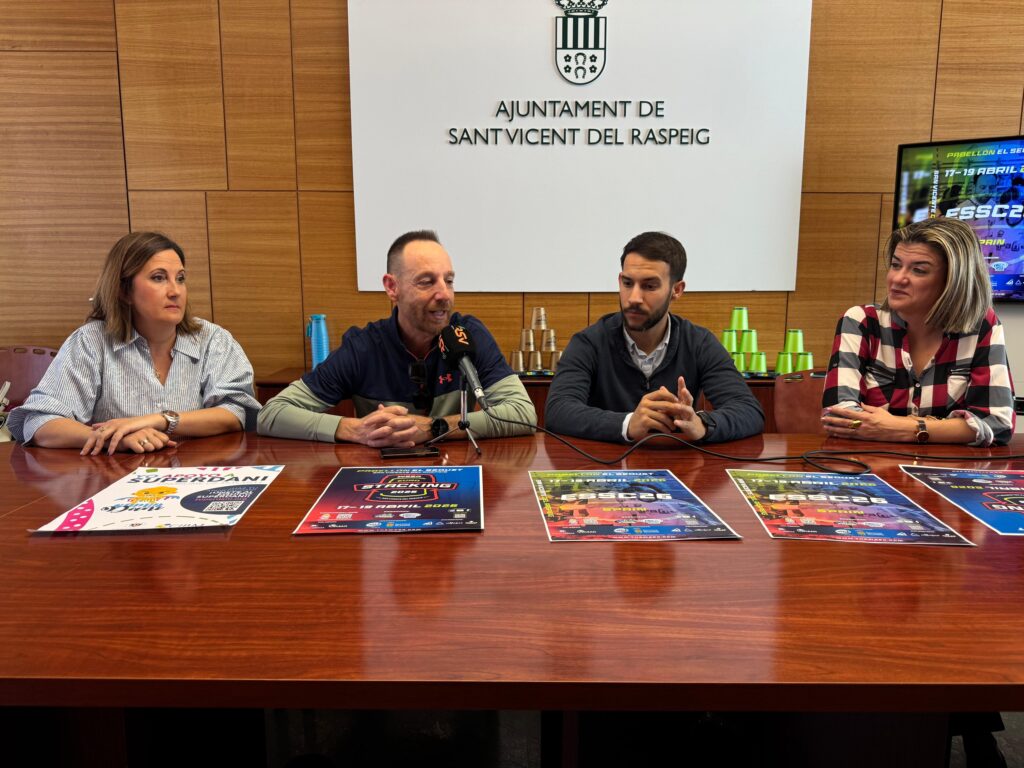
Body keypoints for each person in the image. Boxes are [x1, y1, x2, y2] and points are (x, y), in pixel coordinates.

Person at [257, 230, 536, 446]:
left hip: (456, 472)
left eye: (449, 281)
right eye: (427, 281)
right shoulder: (363, 347)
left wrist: (434, 427)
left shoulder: (467, 335)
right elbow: (272, 414)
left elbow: (523, 414)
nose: (444, 295)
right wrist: (353, 429)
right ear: (392, 287)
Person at [9, 232, 260, 453]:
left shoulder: (213, 339)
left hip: (199, 472)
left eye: (181, 278)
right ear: (124, 291)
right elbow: (40, 423)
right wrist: (114, 438)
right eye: (159, 278)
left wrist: (160, 420)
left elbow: (236, 412)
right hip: (117, 477)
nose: (175, 291)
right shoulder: (91, 342)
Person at [545, 231, 764, 443]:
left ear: (676, 290)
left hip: (679, 462)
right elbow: (558, 410)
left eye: (649, 286)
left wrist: (702, 424)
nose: (634, 298)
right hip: (603, 464)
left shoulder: (699, 343)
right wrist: (627, 424)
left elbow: (749, 411)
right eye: (628, 283)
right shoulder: (589, 342)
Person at [822, 217, 1015, 445]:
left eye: (918, 270)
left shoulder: (981, 326)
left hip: (950, 464)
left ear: (952, 281)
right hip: (870, 461)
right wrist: (946, 429)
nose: (897, 278)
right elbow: (839, 416)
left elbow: (997, 423)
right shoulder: (861, 321)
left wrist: (904, 428)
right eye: (896, 265)